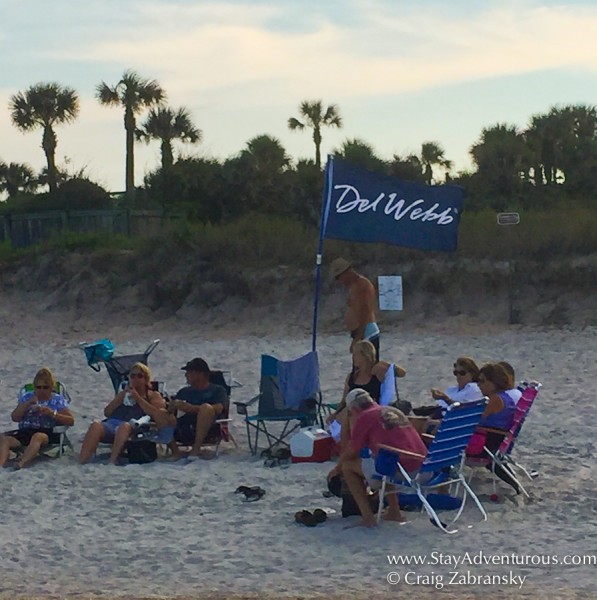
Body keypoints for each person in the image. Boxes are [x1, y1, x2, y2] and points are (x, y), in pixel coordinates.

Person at [332, 389, 428, 528]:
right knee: (383, 460)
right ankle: (394, 512)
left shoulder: (364, 417)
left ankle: (367, 517)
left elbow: (350, 452)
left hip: (406, 471)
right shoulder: (392, 410)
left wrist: (336, 469)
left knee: (348, 466)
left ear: (353, 409)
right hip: (425, 466)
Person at [79, 362, 173, 465]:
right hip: (113, 423)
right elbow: (107, 412)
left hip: (136, 426)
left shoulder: (153, 395)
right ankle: (83, 460)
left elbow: (159, 414)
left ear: (146, 380)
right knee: (95, 425)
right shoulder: (124, 394)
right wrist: (121, 397)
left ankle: (112, 460)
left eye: (139, 376)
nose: (135, 379)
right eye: (132, 376)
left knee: (124, 426)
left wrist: (138, 398)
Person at [326, 340, 405, 449]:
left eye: (355, 354)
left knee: (351, 413)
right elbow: (344, 400)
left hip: (369, 413)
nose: (353, 358)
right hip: (349, 416)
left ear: (365, 355)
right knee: (347, 413)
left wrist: (386, 365)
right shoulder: (351, 377)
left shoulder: (377, 374)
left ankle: (347, 445)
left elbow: (402, 373)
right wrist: (334, 414)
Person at [0, 367, 74, 469]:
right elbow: (15, 417)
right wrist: (27, 404)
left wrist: (52, 413)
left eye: (45, 387)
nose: (42, 390)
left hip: (47, 432)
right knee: (4, 439)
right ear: (35, 387)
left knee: (37, 437)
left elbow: (71, 420)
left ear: (51, 387)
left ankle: (21, 463)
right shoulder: (28, 397)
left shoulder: (57, 400)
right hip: (26, 432)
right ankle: (1, 464)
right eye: (38, 387)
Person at [469, 362, 520, 493]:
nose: (478, 384)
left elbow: (475, 421)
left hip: (486, 445)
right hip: (498, 443)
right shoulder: (506, 397)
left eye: (482, 381)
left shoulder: (495, 400)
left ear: (493, 383)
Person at [169, 358, 228, 459]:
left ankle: (196, 449)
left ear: (201, 374)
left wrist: (191, 408)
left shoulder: (217, 390)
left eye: (189, 372)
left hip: (209, 429)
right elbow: (170, 411)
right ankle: (175, 451)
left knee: (206, 408)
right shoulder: (184, 391)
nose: (186, 375)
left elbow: (219, 408)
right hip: (184, 428)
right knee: (161, 413)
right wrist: (173, 405)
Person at [329, 257, 379, 358]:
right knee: (360, 368)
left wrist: (358, 338)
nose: (340, 281)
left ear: (345, 272)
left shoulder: (361, 285)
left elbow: (365, 311)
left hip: (366, 330)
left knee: (365, 368)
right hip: (362, 330)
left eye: (338, 277)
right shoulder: (354, 286)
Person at [414, 356, 483, 420]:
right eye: (456, 373)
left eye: (462, 373)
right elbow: (439, 406)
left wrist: (445, 398)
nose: (458, 376)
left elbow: (465, 410)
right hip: (439, 416)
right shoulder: (451, 390)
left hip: (452, 421)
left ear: (472, 374)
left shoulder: (474, 388)